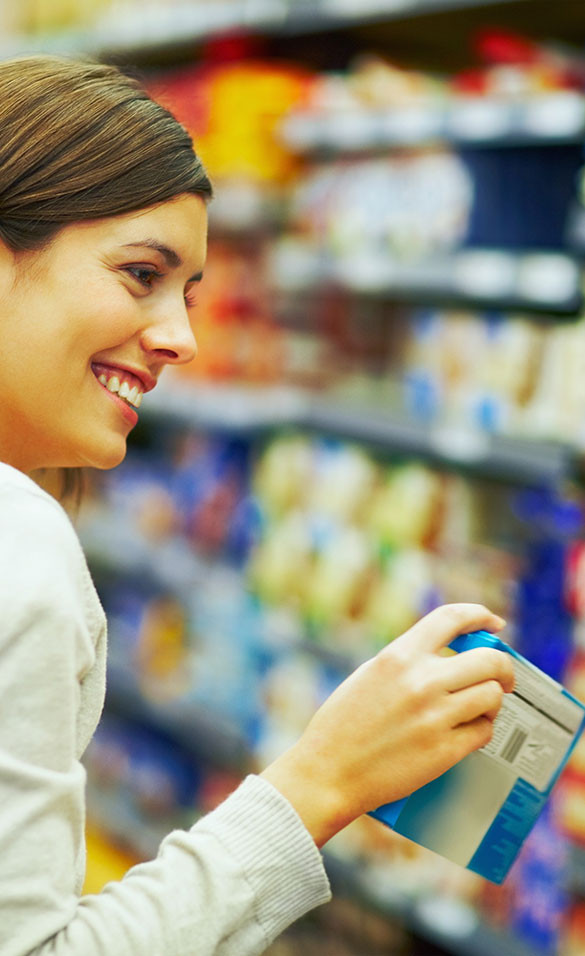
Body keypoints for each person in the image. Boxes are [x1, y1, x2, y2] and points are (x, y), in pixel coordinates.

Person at [0, 53, 515, 956]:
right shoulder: (19, 541)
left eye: (191, 292)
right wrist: (320, 782)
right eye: (139, 274)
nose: (181, 339)